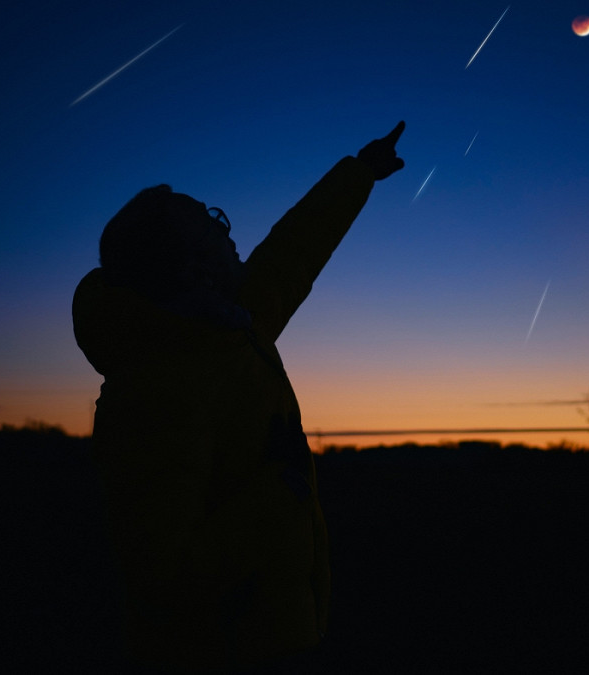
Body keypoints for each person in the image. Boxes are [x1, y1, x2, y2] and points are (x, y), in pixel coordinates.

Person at [72, 122, 406, 672]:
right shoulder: (157, 388)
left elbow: (292, 251)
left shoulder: (228, 328)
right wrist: (279, 494)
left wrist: (359, 173)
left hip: (280, 632)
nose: (229, 231)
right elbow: (161, 574)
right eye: (213, 224)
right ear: (191, 267)